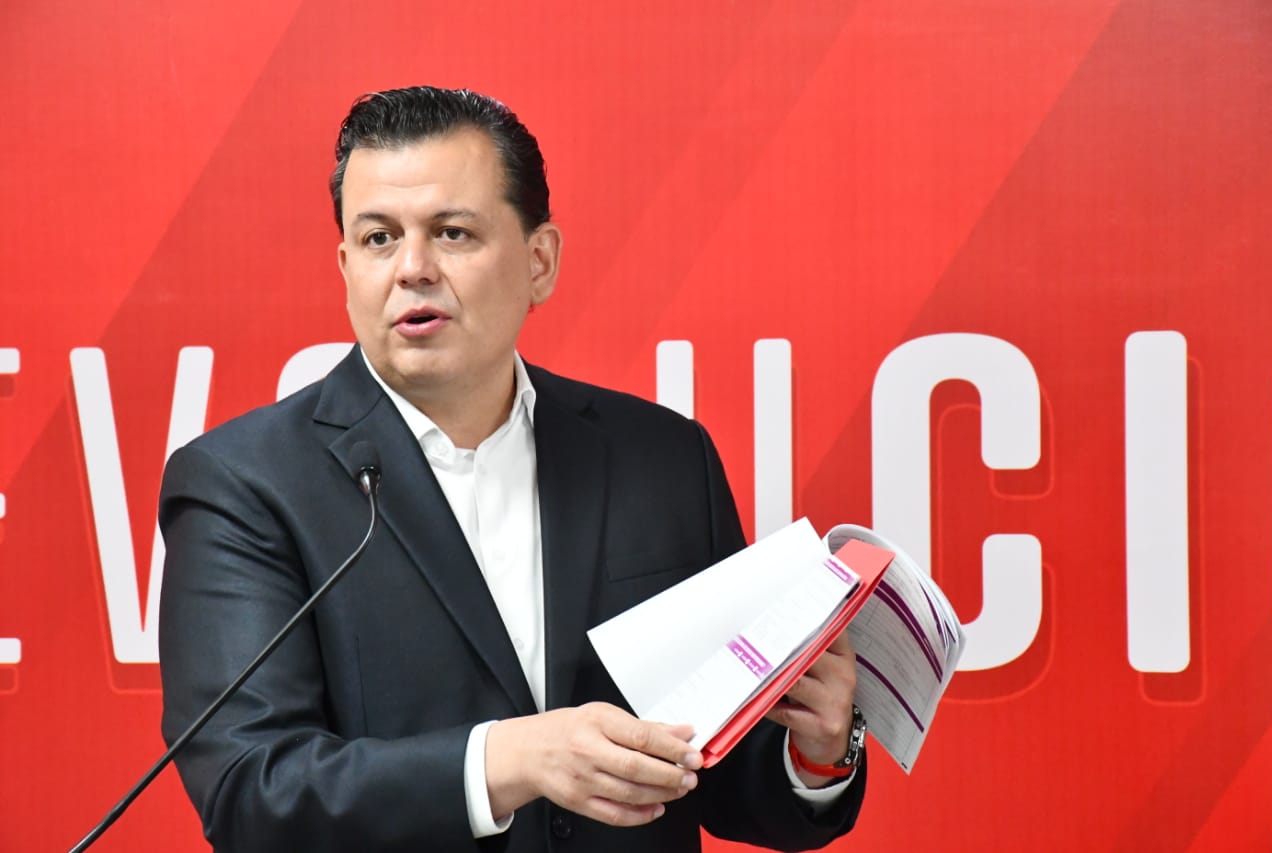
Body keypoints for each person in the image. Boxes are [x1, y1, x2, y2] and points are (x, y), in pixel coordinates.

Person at [158, 86, 867, 852]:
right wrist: (506, 761)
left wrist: (813, 753)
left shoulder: (663, 458)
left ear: (539, 262)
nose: (412, 268)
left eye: (452, 233)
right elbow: (251, 788)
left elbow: (719, 772)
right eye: (378, 238)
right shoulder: (245, 483)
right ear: (346, 266)